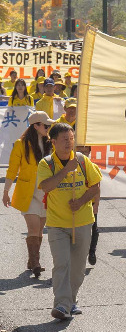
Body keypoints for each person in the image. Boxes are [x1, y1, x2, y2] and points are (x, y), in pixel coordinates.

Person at [37, 122, 102, 320]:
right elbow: (46, 186)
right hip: (57, 224)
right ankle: (62, 305)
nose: (69, 143)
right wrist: (66, 170)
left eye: (72, 139)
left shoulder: (82, 160)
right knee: (61, 264)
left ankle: (71, 301)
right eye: (65, 139)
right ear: (54, 142)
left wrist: (82, 201)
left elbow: (95, 185)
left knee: (77, 267)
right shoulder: (46, 163)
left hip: (82, 222)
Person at [3, 111, 53, 277]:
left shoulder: (50, 144)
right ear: (36, 126)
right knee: (33, 228)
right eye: (45, 125)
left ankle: (32, 261)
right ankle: (36, 263)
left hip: (45, 194)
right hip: (28, 193)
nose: (48, 128)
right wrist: (6, 192)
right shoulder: (21, 144)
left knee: (39, 231)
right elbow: (12, 170)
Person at [76, 145, 101, 266]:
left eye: (86, 152)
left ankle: (92, 252)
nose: (84, 154)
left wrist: (96, 205)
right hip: (75, 205)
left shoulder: (93, 167)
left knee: (94, 229)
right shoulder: (72, 167)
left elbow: (97, 188)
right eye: (80, 151)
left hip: (90, 204)